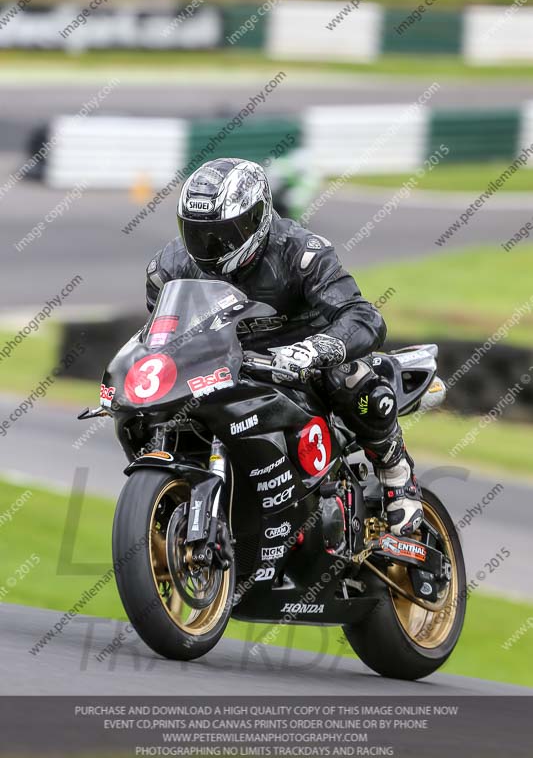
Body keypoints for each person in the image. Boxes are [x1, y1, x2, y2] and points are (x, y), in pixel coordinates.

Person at [145, 158, 423, 537]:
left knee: (353, 379)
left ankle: (396, 471)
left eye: (224, 234)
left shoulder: (302, 253)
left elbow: (363, 317)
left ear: (257, 218)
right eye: (198, 233)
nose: (210, 247)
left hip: (302, 364)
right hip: (226, 365)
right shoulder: (170, 267)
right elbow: (160, 333)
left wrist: (317, 349)